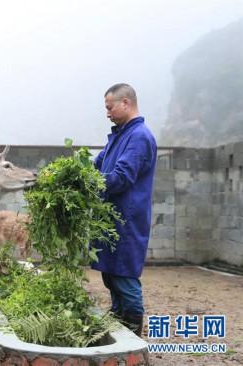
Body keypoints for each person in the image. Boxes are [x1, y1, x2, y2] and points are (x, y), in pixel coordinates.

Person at [92, 83, 157, 337]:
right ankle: (118, 325)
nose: (107, 113)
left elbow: (121, 177)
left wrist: (89, 184)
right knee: (110, 275)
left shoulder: (139, 136)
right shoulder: (119, 135)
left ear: (125, 103)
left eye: (109, 107)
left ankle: (131, 336)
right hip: (111, 218)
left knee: (125, 276)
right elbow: (97, 164)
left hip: (127, 219)